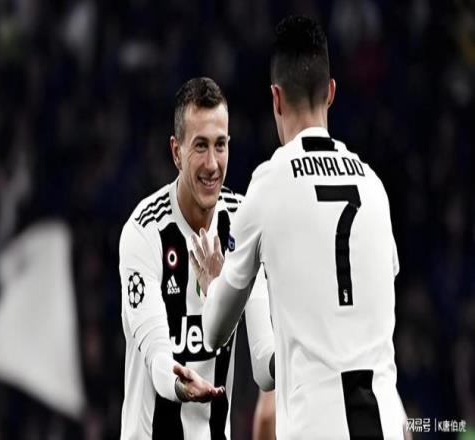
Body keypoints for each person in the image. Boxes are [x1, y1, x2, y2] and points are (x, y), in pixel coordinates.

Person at [192, 16, 404, 439]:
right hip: (386, 424)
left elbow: (214, 333)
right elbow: (274, 366)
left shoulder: (269, 185)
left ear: (276, 98)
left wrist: (214, 284)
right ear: (331, 92)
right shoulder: (375, 189)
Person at [118, 77, 274, 439]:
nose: (212, 164)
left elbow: (264, 362)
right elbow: (157, 356)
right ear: (176, 152)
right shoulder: (144, 232)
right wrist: (180, 385)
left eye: (220, 145)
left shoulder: (244, 223)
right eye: (200, 146)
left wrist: (312, 352)